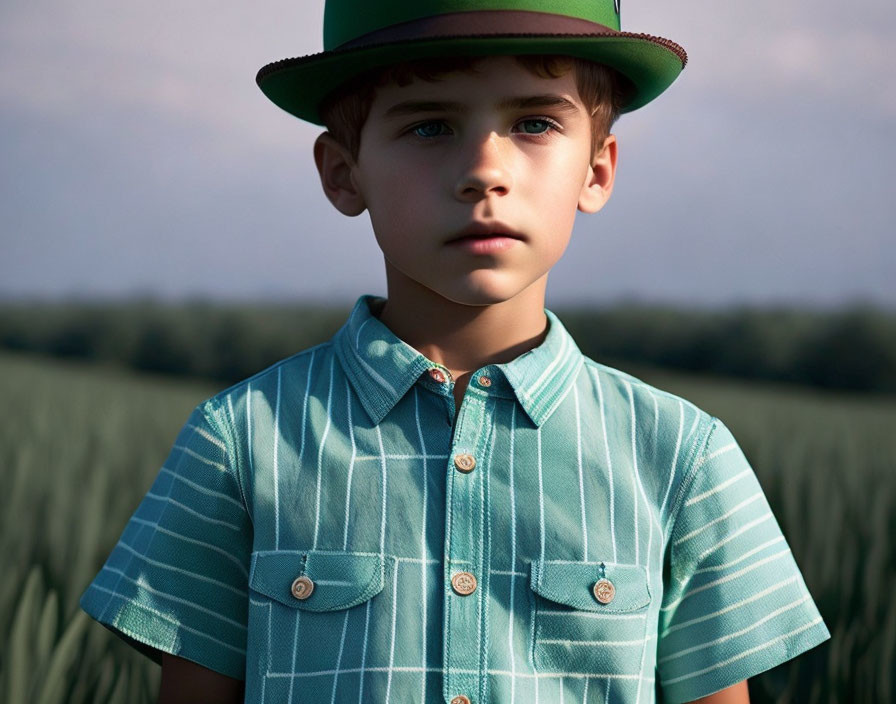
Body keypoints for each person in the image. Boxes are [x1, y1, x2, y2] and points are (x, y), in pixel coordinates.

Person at [80, 1, 830, 702]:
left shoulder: (681, 457)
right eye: (429, 127)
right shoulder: (241, 442)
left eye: (535, 123)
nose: (484, 172)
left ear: (597, 169)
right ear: (344, 173)